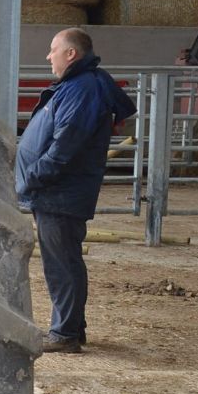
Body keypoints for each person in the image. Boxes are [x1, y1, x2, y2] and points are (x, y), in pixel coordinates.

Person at [16, 28, 135, 354]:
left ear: (71, 54)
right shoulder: (79, 86)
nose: (48, 56)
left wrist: (32, 178)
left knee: (62, 263)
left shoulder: (82, 90)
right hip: (56, 192)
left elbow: (65, 146)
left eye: (53, 49)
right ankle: (71, 328)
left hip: (60, 193)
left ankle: (65, 333)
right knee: (63, 261)